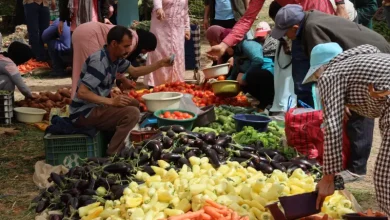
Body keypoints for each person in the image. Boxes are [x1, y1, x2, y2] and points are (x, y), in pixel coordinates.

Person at [271, 4, 390, 182]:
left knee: (358, 111)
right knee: (353, 108)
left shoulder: (312, 28)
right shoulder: (310, 18)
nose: (285, 37)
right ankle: (353, 162)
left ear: (295, 27)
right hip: (369, 53)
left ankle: (357, 168)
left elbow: (327, 69)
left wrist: (337, 100)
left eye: (285, 32)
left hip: (375, 60)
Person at [206, 0, 348, 108]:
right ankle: (308, 125)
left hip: (322, 23)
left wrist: (340, 4)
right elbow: (247, 19)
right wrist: (224, 45)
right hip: (297, 32)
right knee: (302, 85)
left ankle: (336, 121)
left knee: (330, 81)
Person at [304, 43, 390, 216]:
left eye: (315, 74)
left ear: (321, 68)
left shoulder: (330, 74)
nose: (317, 79)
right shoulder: (358, 60)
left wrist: (328, 177)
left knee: (385, 175)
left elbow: (333, 127)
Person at [70, 26, 172, 155]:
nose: (128, 50)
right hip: (84, 112)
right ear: (113, 44)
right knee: (132, 113)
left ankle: (116, 139)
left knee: (134, 103)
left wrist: (160, 63)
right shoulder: (99, 62)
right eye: (125, 46)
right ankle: (113, 153)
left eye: (129, 46)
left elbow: (134, 71)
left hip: (97, 107)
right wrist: (111, 102)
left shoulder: (115, 59)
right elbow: (82, 92)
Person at [71, 22, 158, 98]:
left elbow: (118, 64)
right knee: (90, 75)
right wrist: (123, 80)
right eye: (146, 50)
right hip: (89, 34)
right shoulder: (131, 43)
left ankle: (78, 101)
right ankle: (82, 106)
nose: (143, 53)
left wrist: (122, 80)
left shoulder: (131, 36)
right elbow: (124, 67)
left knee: (81, 71)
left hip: (84, 31)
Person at [214, 26, 274, 110]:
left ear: (232, 43)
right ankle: (261, 102)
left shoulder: (248, 44)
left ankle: (268, 102)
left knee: (248, 77)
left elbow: (258, 60)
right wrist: (223, 86)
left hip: (268, 74)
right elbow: (234, 73)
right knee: (240, 79)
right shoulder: (237, 53)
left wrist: (245, 77)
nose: (225, 50)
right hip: (255, 75)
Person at [144, 0, 190, 87]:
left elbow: (185, 11)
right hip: (161, 27)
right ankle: (156, 83)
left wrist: (187, 28)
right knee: (159, 53)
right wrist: (158, 8)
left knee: (177, 54)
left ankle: (176, 82)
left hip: (178, 29)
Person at [267, 1, 296, 115]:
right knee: (282, 79)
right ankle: (281, 105)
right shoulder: (283, 25)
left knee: (287, 80)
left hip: (289, 57)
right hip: (283, 55)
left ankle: (285, 106)